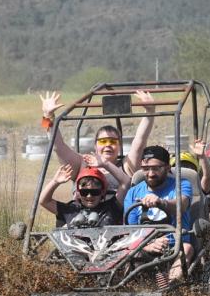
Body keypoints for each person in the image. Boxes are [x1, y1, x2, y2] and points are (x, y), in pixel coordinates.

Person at [40, 90, 156, 198]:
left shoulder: (127, 165)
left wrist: (150, 113)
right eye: (103, 141)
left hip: (116, 216)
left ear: (119, 145)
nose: (108, 145)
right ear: (95, 146)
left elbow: (139, 142)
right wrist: (47, 117)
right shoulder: (82, 163)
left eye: (112, 141)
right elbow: (58, 147)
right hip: (83, 216)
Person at [124, 145, 193, 284]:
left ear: (167, 168)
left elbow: (182, 205)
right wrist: (147, 244)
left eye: (155, 168)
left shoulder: (182, 185)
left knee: (187, 248)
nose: (150, 174)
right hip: (143, 244)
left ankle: (170, 288)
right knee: (124, 251)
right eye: (146, 169)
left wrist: (161, 203)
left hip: (175, 244)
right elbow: (129, 231)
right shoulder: (133, 192)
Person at [40, 156, 129, 228]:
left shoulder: (111, 208)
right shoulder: (70, 209)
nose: (89, 196)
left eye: (94, 192)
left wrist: (105, 164)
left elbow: (126, 182)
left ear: (102, 192)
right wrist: (55, 182)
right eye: (84, 192)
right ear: (78, 193)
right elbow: (44, 201)